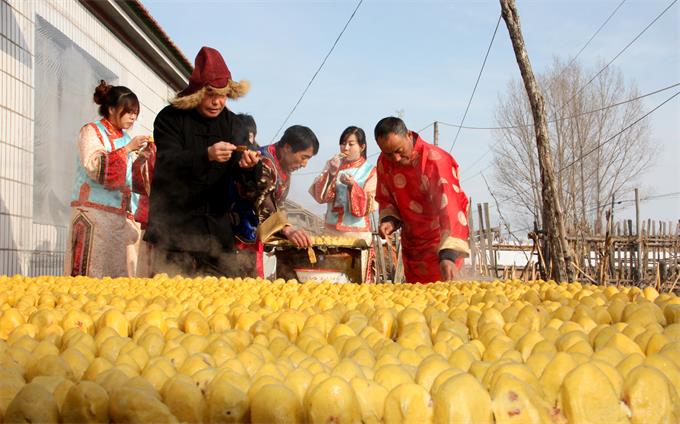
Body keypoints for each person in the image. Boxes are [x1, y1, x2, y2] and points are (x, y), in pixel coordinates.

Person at [143, 46, 261, 277]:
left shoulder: (233, 124)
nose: (217, 102)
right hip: (174, 226)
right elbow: (167, 160)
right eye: (210, 94)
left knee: (224, 298)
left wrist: (248, 166)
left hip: (216, 230)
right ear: (197, 92)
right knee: (169, 296)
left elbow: (245, 177)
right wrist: (205, 154)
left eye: (223, 95)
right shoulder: (171, 118)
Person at [65, 81, 152, 277]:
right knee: (89, 273)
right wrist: (128, 150)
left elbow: (130, 181)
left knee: (117, 277)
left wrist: (140, 161)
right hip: (93, 214)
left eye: (135, 112)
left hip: (119, 218)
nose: (133, 117)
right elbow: (94, 165)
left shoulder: (124, 138)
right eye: (128, 111)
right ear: (111, 109)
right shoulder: (91, 131)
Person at [374, 117, 469, 283]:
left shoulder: (435, 160)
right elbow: (386, 197)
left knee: (443, 300)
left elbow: (451, 207)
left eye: (399, 150)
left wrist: (448, 255)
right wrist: (390, 221)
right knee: (416, 301)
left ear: (409, 135)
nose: (395, 158)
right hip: (412, 246)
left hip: (440, 243)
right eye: (388, 153)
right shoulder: (383, 162)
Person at [309, 126, 376, 281]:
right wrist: (331, 174)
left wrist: (354, 186)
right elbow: (320, 197)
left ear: (362, 147)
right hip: (331, 233)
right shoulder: (332, 165)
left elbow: (371, 204)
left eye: (351, 144)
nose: (346, 148)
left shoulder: (370, 170)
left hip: (357, 235)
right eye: (343, 143)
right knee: (330, 279)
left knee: (356, 279)